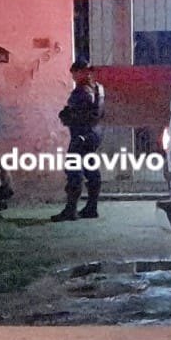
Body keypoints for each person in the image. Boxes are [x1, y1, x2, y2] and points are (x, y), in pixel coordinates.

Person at [51, 59, 105, 222]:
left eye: (75, 73)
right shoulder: (99, 89)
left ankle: (71, 210)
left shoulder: (81, 91)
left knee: (74, 171)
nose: (73, 77)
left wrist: (65, 115)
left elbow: (77, 115)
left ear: (82, 72)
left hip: (81, 135)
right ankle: (91, 207)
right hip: (94, 134)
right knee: (91, 169)